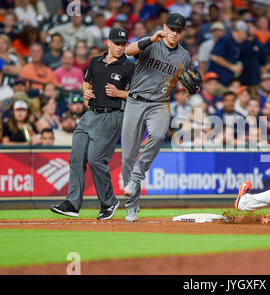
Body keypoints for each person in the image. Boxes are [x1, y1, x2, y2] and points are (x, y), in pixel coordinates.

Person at [49, 28, 135, 221]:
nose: (121, 47)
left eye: (123, 44)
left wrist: (119, 93)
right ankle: (72, 204)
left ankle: (108, 202)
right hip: (89, 114)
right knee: (76, 157)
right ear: (108, 43)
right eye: (117, 43)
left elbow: (138, 95)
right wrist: (86, 95)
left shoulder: (129, 67)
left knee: (96, 159)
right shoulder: (95, 62)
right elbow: (87, 83)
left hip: (111, 116)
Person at [121, 13, 195, 222]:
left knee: (158, 135)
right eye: (172, 28)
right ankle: (132, 207)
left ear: (183, 33)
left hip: (159, 103)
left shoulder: (184, 57)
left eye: (179, 30)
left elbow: (188, 81)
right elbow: (128, 51)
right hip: (135, 101)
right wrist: (149, 39)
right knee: (127, 157)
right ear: (164, 27)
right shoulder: (152, 44)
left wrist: (193, 87)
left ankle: (136, 178)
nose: (174, 33)